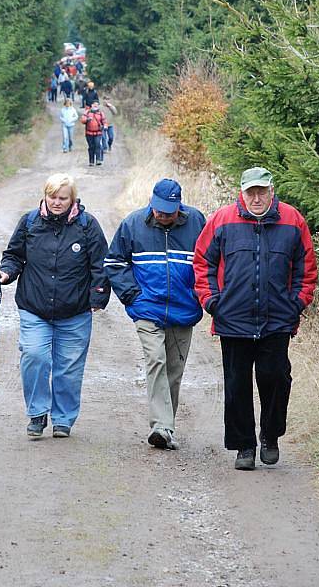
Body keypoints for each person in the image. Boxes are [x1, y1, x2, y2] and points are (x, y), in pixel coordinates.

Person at [193, 167, 317, 471]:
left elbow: (306, 268)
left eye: (262, 191)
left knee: (275, 377)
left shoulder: (292, 220)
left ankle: (270, 435)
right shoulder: (222, 220)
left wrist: (296, 303)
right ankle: (244, 446)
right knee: (237, 385)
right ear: (242, 192)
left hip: (277, 319)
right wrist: (212, 302)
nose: (257, 198)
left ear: (271, 191)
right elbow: (202, 263)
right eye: (251, 192)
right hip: (232, 319)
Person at [0, 173, 110, 439]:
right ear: (45, 196)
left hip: (75, 310)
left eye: (62, 198)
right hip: (34, 307)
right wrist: (5, 273)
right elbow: (13, 256)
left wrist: (98, 297)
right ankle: (37, 413)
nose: (57, 202)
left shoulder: (87, 225)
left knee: (68, 368)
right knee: (34, 356)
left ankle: (63, 419)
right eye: (52, 197)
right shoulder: (30, 222)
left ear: (72, 199)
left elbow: (101, 264)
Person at [104, 179, 205, 449]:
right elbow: (114, 263)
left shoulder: (196, 222)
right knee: (156, 360)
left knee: (174, 370)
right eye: (159, 210)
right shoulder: (133, 223)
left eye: (169, 212)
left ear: (179, 206)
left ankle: (166, 428)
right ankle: (161, 425)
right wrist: (132, 297)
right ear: (151, 203)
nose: (163, 215)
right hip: (147, 308)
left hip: (184, 310)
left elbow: (211, 260)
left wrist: (200, 295)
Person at [81, 100, 107, 166]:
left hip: (98, 132)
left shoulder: (101, 113)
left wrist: (105, 126)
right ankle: (91, 161)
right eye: (94, 104)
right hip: (89, 133)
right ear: (91, 105)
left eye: (97, 104)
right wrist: (87, 119)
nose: (95, 105)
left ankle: (98, 160)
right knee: (91, 147)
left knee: (98, 145)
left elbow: (104, 121)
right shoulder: (87, 112)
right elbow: (82, 120)